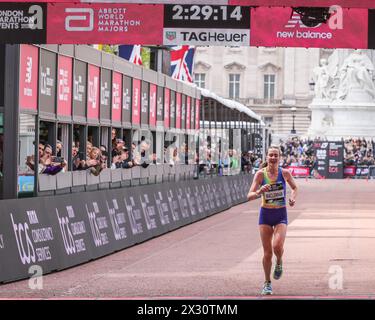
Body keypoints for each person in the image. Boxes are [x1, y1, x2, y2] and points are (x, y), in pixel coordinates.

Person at [247, 145, 298, 295]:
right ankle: (267, 282)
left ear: (279, 157)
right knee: (267, 252)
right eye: (271, 155)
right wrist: (259, 191)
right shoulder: (260, 175)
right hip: (265, 215)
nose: (273, 158)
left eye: (276, 155)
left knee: (277, 246)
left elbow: (295, 188)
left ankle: (280, 261)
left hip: (281, 214)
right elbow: (249, 195)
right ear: (267, 157)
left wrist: (292, 198)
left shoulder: (285, 173)